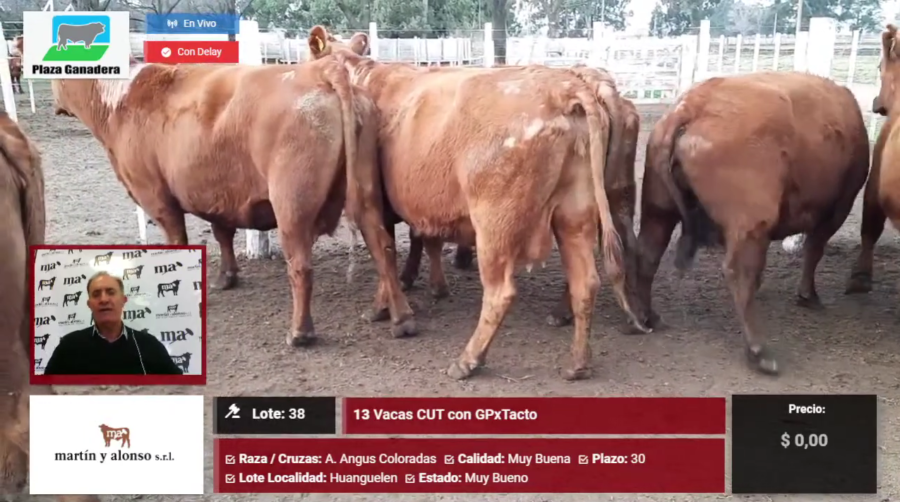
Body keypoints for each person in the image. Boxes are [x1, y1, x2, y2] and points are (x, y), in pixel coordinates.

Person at [42, 271, 183, 375]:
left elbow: (179, 388)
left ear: (123, 300)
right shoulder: (69, 345)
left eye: (110, 292)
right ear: (89, 304)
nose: (104, 300)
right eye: (96, 294)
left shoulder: (149, 344)